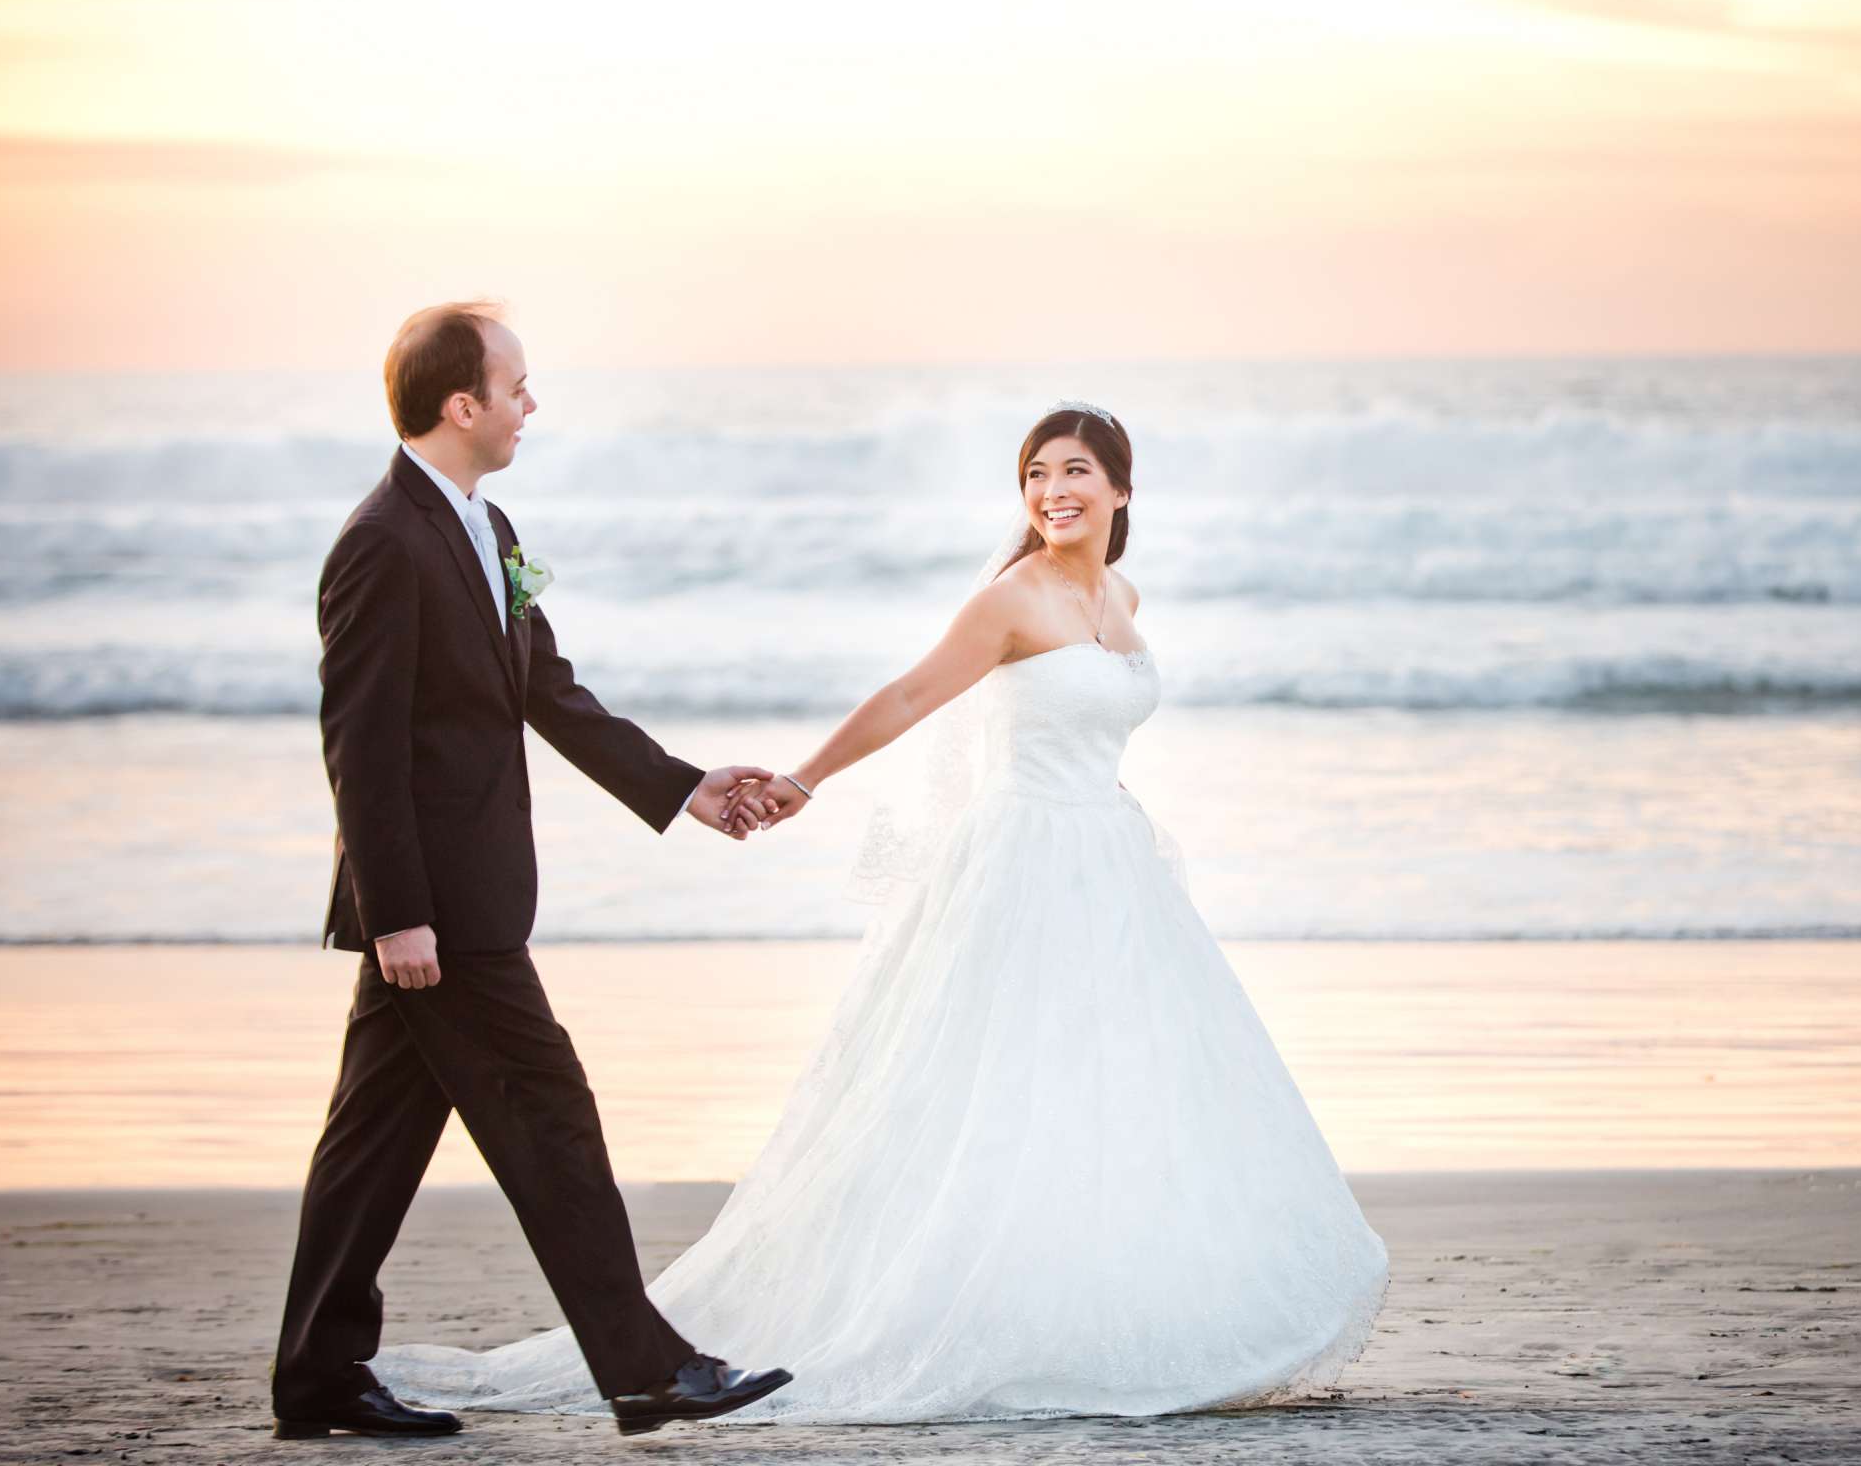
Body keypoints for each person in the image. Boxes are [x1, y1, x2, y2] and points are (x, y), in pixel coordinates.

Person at [377, 404, 1389, 1423]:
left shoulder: (1123, 594)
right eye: (1036, 474)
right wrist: (806, 779)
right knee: (1003, 1096)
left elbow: (1097, 725)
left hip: (1111, 862)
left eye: (1076, 471)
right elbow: (910, 698)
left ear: (1122, 489)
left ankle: (1127, 1296)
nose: (1053, 492)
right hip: (1024, 862)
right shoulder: (1013, 599)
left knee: (1122, 1090)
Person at [270, 302, 794, 1439]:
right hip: (443, 915)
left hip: (462, 901)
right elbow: (357, 745)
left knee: (373, 1141)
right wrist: (399, 915)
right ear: (461, 404)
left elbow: (547, 691)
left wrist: (685, 786)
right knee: (550, 1115)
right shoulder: (381, 541)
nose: (530, 404)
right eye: (516, 387)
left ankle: (316, 1374)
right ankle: (647, 1370)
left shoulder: (482, 519)